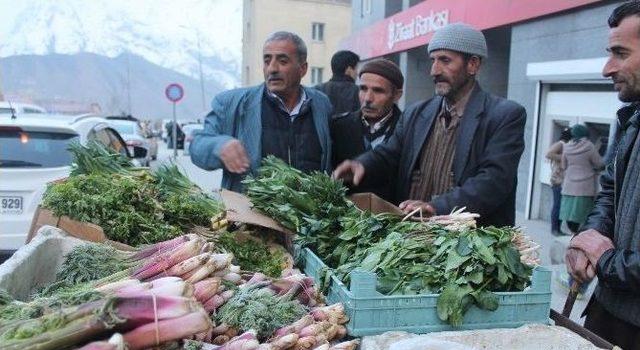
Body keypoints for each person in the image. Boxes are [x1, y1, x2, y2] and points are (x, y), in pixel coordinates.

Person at [332, 23, 526, 227]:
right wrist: (362, 164)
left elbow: (493, 182)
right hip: (414, 236)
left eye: (445, 60)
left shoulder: (504, 115)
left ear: (473, 65)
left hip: (470, 243)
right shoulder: (417, 113)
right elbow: (389, 153)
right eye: (432, 60)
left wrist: (436, 207)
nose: (434, 70)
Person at [566, 1, 640, 350]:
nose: (607, 68)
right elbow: (610, 191)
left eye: (619, 53)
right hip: (606, 316)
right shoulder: (632, 120)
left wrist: (608, 262)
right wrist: (589, 239)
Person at [189, 31, 333, 192]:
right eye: (267, 60)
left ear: (303, 69)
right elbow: (197, 145)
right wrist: (218, 146)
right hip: (250, 214)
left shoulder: (321, 104)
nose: (272, 68)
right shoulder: (230, 104)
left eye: (283, 61)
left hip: (308, 214)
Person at [330, 59, 404, 200]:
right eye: (363, 89)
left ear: (397, 95)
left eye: (378, 90)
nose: (368, 98)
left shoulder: (409, 130)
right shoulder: (339, 126)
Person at [559, 124, 604, 234]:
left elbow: (563, 165)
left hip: (569, 185)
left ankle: (572, 233)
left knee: (569, 213)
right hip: (585, 186)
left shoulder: (567, 146)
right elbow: (599, 163)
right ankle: (579, 235)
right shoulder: (589, 146)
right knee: (583, 214)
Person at [546, 127, 572, 236]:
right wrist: (564, 157)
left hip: (563, 180)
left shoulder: (565, 145)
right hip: (557, 180)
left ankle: (558, 229)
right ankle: (554, 229)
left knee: (561, 206)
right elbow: (548, 154)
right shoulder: (561, 144)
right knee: (558, 205)